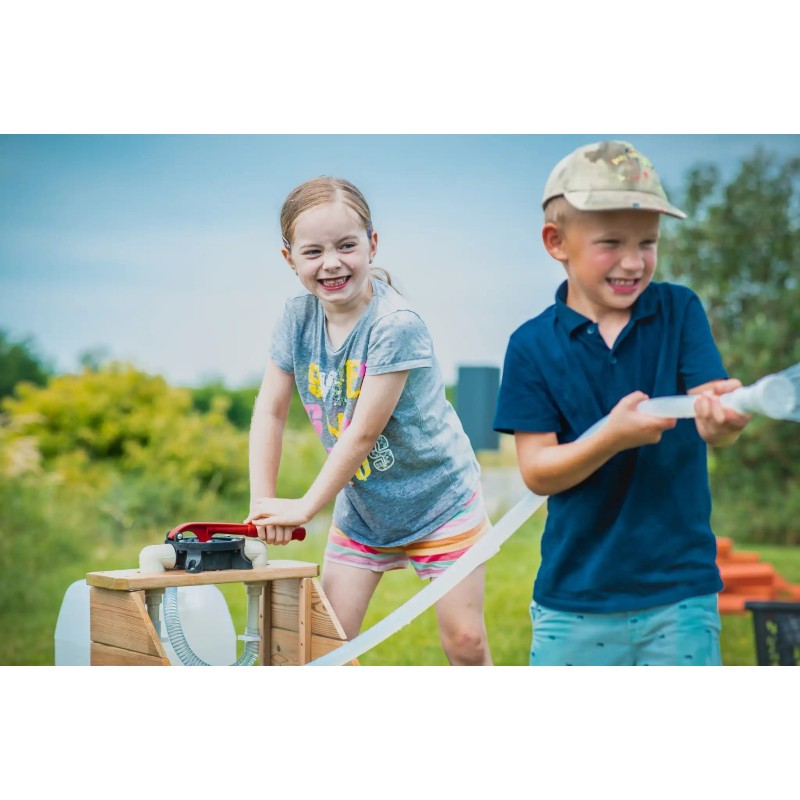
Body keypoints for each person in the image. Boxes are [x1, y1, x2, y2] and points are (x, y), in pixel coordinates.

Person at [492, 141, 751, 666]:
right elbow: (538, 471)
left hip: (680, 592)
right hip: (574, 600)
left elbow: (710, 415)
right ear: (556, 241)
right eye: (611, 242)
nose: (634, 262)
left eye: (648, 243)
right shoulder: (531, 345)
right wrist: (611, 436)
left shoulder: (679, 311)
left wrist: (725, 419)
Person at [245, 176, 492, 665]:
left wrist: (306, 507)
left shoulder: (395, 324)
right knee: (324, 645)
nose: (331, 263)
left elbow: (361, 434)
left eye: (346, 245)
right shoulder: (296, 318)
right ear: (289, 258)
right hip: (365, 510)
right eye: (312, 251)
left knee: (465, 642)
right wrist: (263, 501)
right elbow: (270, 410)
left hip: (438, 500)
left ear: (372, 245)